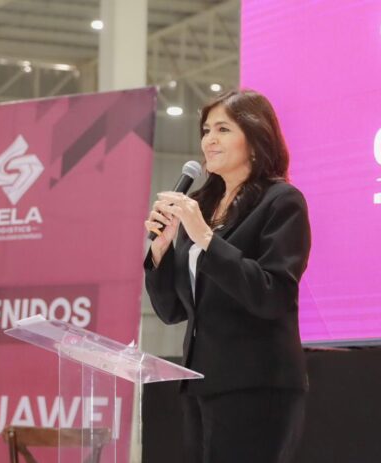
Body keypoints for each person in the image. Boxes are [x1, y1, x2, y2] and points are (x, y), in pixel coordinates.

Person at [143, 89, 311, 463]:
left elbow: (271, 294)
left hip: (257, 384)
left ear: (255, 138)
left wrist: (205, 237)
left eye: (223, 129)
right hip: (200, 382)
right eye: (206, 130)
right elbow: (173, 311)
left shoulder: (282, 202)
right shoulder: (202, 207)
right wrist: (160, 252)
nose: (209, 140)